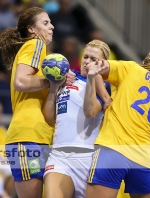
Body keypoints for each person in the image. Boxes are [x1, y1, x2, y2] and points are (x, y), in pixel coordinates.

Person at [0, 7, 75, 198]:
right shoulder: (35, 45)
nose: (52, 27)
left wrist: (58, 84)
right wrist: (55, 81)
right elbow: (21, 81)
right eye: (46, 23)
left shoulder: (43, 57)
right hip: (27, 137)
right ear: (32, 29)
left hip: (41, 138)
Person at [84, 49, 150, 198]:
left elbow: (92, 67)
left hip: (113, 148)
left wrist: (106, 98)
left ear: (144, 63)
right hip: (143, 158)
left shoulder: (132, 69)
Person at [42, 40, 116, 198]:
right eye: (86, 57)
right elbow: (49, 118)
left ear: (103, 64)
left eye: (93, 59)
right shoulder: (68, 79)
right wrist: (54, 88)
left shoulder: (105, 87)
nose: (87, 62)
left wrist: (91, 78)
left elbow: (90, 111)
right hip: (59, 156)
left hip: (88, 158)